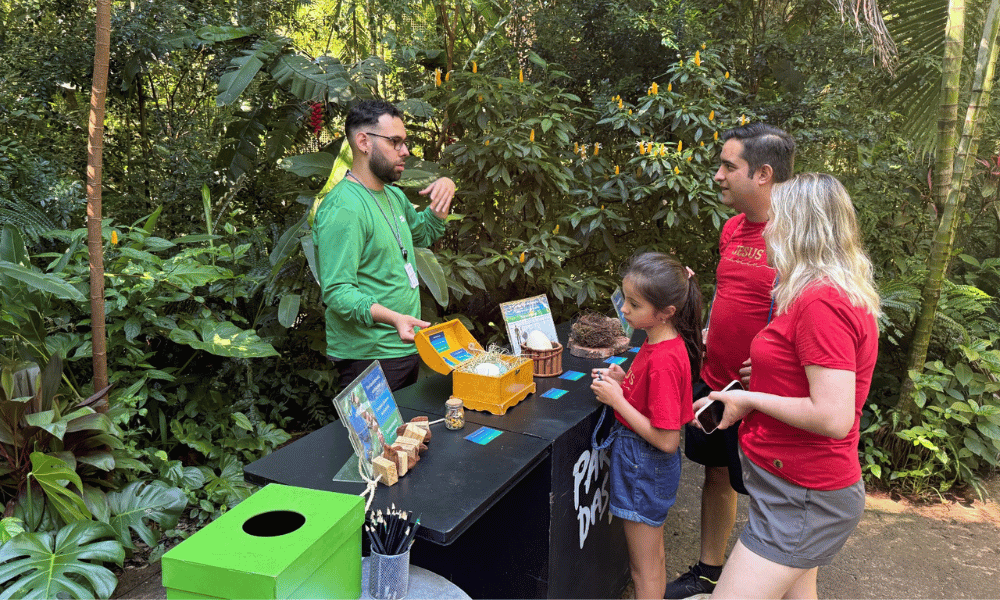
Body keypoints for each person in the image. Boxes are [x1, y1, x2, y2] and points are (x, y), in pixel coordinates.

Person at [697, 173, 880, 599]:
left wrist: (749, 397)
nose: (769, 228)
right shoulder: (807, 292)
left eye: (777, 218)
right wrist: (754, 393)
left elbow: (834, 416)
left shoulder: (823, 302)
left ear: (798, 225)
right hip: (789, 488)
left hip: (803, 496)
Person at [665, 122, 796, 598]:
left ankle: (767, 582)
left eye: (728, 166)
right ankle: (708, 571)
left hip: (765, 395)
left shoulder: (795, 238)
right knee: (716, 475)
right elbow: (729, 291)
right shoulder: (732, 228)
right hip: (715, 379)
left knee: (769, 494)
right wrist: (709, 327)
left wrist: (774, 362)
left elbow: (807, 315)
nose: (718, 175)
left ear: (762, 174)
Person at [313, 99, 456, 391]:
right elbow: (338, 292)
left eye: (404, 142)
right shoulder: (344, 208)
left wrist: (444, 194)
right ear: (364, 142)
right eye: (395, 142)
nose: (405, 151)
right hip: (367, 356)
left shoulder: (393, 195)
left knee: (407, 437)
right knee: (377, 438)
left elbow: (423, 234)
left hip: (404, 346)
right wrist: (393, 318)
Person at [590, 253, 704, 599]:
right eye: (624, 298)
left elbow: (667, 439)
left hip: (644, 465)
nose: (623, 309)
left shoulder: (666, 359)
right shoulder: (659, 341)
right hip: (645, 465)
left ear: (666, 312)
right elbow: (652, 399)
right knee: (653, 554)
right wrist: (625, 383)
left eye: (634, 304)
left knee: (643, 569)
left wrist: (617, 401)